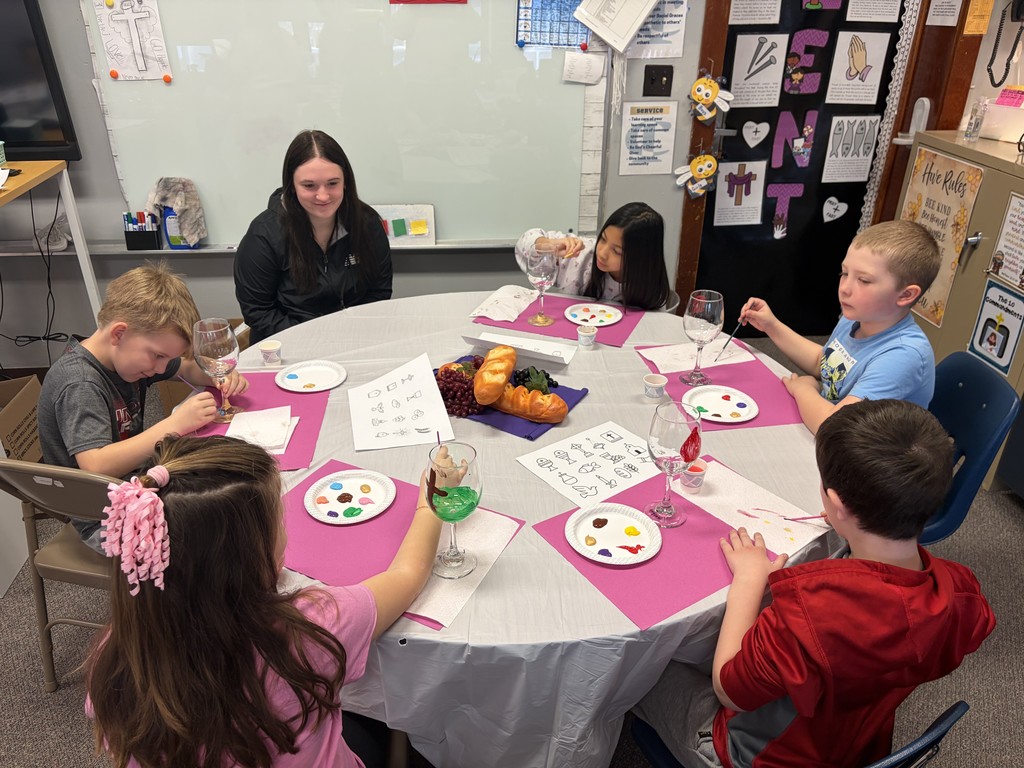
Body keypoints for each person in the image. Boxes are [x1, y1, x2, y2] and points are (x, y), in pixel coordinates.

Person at [633, 398, 996, 768]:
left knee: (640, 668)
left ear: (837, 503)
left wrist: (749, 579)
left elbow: (731, 691)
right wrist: (849, 524)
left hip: (752, 754)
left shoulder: (809, 616)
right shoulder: (961, 591)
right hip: (856, 744)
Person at [85, 434, 444, 768]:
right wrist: (431, 501)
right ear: (249, 557)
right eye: (278, 521)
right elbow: (407, 575)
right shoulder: (313, 625)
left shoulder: (112, 659)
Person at [37, 263, 248, 551]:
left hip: (138, 484)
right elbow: (95, 465)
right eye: (158, 356)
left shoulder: (129, 358)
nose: (161, 368)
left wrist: (218, 375)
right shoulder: (80, 383)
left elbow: (185, 367)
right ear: (119, 334)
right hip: (105, 518)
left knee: (228, 480)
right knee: (221, 528)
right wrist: (172, 426)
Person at [739, 220, 940, 433]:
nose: (844, 288)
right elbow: (824, 363)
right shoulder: (858, 317)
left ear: (906, 295)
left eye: (863, 280)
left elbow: (835, 427)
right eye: (844, 274)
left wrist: (804, 389)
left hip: (868, 455)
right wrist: (772, 326)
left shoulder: (903, 355)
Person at [234, 129, 392, 344]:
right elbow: (258, 311)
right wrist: (318, 339)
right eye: (309, 186)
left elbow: (379, 291)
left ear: (346, 181)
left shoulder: (367, 222)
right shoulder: (263, 235)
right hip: (287, 344)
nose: (323, 195)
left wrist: (352, 334)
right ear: (292, 185)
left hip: (353, 339)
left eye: (333, 183)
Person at [514, 202, 671, 311]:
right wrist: (550, 245)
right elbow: (524, 242)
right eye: (602, 239)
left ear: (641, 259)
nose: (602, 253)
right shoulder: (581, 254)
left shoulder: (649, 284)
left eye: (617, 251)